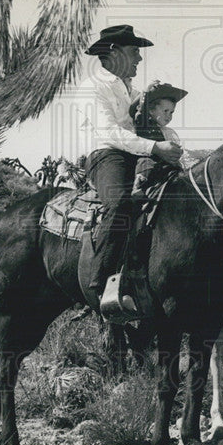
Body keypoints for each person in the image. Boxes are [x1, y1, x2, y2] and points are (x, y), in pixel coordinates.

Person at [81, 25, 182, 315]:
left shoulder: (128, 88)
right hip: (107, 155)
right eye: (135, 52)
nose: (139, 59)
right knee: (121, 204)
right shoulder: (94, 86)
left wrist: (151, 95)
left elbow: (143, 111)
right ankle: (102, 283)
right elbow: (110, 132)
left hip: (135, 153)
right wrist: (155, 148)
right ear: (115, 52)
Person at [129, 81, 188, 196]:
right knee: (147, 163)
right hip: (149, 156)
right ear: (151, 110)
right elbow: (139, 107)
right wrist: (147, 91)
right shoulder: (144, 122)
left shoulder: (168, 132)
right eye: (165, 111)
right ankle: (139, 185)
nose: (169, 116)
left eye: (171, 112)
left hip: (164, 161)